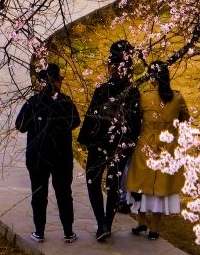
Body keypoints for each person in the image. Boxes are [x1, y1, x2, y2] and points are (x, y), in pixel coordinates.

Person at [79, 40, 144, 243]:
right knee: (113, 184)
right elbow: (135, 123)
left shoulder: (102, 90)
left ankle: (102, 223)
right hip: (120, 145)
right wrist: (130, 142)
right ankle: (107, 220)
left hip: (99, 143)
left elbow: (91, 117)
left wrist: (84, 139)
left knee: (93, 182)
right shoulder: (133, 92)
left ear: (112, 67)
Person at [14, 62, 80, 242]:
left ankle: (39, 232)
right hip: (62, 156)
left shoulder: (33, 102)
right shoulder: (66, 101)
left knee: (39, 193)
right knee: (64, 193)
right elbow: (75, 122)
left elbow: (20, 125)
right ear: (57, 81)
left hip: (38, 155)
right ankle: (68, 232)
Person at [124, 61, 191, 234]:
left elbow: (136, 117)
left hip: (145, 144)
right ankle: (154, 227)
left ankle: (140, 221)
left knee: (141, 185)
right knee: (161, 188)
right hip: (167, 147)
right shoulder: (176, 98)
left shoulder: (144, 97)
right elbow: (186, 117)